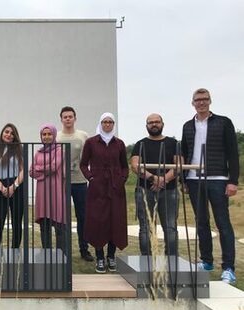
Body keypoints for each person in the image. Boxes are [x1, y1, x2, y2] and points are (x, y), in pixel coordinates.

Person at [181, 88, 239, 284]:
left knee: (223, 223)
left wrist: (233, 181)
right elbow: (184, 152)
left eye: (205, 99)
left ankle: (228, 268)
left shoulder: (223, 122)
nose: (202, 103)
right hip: (193, 179)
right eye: (198, 100)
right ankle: (206, 261)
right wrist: (183, 179)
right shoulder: (188, 125)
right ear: (193, 103)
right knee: (202, 222)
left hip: (218, 178)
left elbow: (233, 153)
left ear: (210, 101)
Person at [80, 112, 128, 273]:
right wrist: (91, 178)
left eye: (110, 122)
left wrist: (122, 179)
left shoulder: (119, 144)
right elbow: (83, 164)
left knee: (115, 221)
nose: (107, 125)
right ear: (100, 123)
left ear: (113, 124)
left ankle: (111, 256)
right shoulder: (91, 142)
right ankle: (99, 257)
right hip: (97, 189)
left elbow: (124, 166)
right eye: (105, 122)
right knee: (98, 222)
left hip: (115, 189)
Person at [130, 113, 179, 256]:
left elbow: (178, 165)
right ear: (146, 126)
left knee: (170, 227)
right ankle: (147, 260)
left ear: (162, 124)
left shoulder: (173, 143)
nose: (154, 124)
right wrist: (153, 178)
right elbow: (135, 165)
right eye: (151, 122)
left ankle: (171, 261)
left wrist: (164, 179)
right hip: (145, 190)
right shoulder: (140, 144)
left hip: (169, 191)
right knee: (146, 227)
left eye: (157, 122)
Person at [57, 106, 93, 261]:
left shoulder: (83, 135)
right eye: (65, 117)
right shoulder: (56, 137)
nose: (68, 119)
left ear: (75, 118)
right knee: (62, 217)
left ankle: (84, 249)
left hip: (79, 182)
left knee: (82, 217)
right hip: (62, 182)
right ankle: (62, 250)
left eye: (70, 116)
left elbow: (89, 157)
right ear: (61, 119)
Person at [29, 124, 66, 251]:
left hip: (56, 191)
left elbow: (54, 166)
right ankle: (47, 253)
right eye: (44, 134)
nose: (46, 137)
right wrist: (43, 170)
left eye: (49, 134)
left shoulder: (59, 150)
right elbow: (31, 172)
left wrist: (39, 169)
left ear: (54, 135)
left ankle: (61, 254)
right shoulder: (38, 153)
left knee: (59, 224)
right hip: (42, 193)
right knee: (45, 225)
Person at [0, 123, 24, 249]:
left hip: (17, 187)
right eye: (7, 132)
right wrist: (2, 187)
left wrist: (13, 186)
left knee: (16, 222)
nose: (9, 135)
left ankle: (15, 250)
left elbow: (22, 171)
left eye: (12, 133)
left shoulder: (19, 150)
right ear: (2, 133)